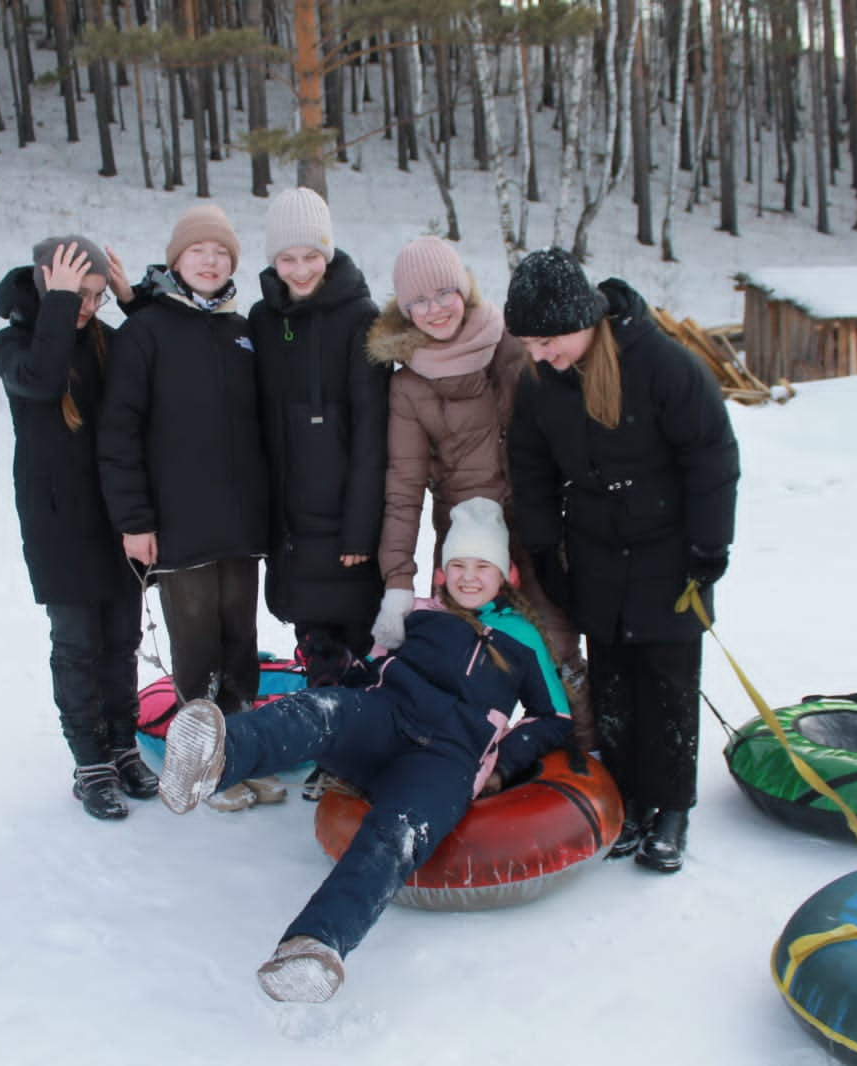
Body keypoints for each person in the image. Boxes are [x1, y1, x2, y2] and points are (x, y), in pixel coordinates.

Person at [157, 498, 573, 1003]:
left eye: (480, 567)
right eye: (457, 565)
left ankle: (316, 946)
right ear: (441, 573)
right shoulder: (419, 614)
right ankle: (216, 759)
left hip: (447, 761)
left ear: (503, 574)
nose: (467, 577)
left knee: (396, 835)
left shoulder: (523, 639)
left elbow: (556, 717)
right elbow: (372, 669)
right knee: (323, 710)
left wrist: (504, 765)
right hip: (388, 718)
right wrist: (342, 672)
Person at [504, 248, 740, 874]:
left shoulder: (661, 364)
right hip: (594, 549)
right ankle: (627, 797)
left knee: (666, 681)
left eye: (548, 339)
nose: (539, 353)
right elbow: (529, 470)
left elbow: (712, 455)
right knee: (612, 679)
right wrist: (544, 548)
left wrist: (709, 546)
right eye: (528, 342)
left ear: (583, 321)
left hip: (670, 550)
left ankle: (670, 808)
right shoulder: (540, 383)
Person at [364, 236, 593, 747]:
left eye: (443, 293)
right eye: (418, 301)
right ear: (404, 311)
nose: (434, 310)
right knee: (466, 654)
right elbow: (403, 488)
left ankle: (580, 756)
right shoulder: (409, 385)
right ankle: (464, 755)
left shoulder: (512, 345)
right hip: (465, 539)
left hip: (533, 521)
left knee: (555, 642)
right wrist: (399, 580)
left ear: (464, 288)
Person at [97, 204, 276, 813]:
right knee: (197, 651)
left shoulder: (241, 329)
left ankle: (243, 758)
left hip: (240, 526)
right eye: (198, 251)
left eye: (222, 253)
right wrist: (135, 521)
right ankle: (205, 771)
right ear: (176, 260)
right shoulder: (146, 332)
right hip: (179, 526)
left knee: (241, 647)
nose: (210, 261)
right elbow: (118, 433)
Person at [0, 235, 160, 820]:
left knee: (122, 643)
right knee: (78, 647)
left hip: (116, 520)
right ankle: (90, 763)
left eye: (93, 295)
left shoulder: (108, 343)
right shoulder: (9, 344)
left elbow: (163, 361)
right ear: (44, 283)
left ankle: (122, 746)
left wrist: (130, 300)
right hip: (57, 525)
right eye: (75, 294)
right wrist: (58, 302)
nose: (86, 306)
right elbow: (39, 378)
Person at [249, 187, 387, 689]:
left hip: (344, 530)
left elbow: (373, 432)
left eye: (311, 256)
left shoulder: (360, 319)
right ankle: (323, 745)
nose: (301, 269)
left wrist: (360, 528)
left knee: (357, 652)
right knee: (314, 649)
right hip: (290, 527)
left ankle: (361, 748)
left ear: (327, 254)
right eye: (288, 258)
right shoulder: (264, 321)